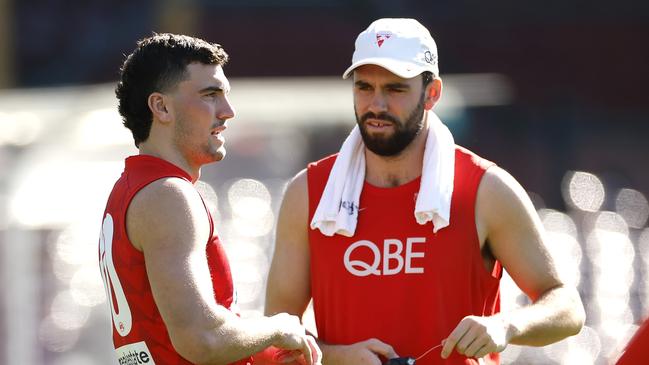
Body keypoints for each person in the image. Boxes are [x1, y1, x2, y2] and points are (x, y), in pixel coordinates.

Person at [265, 18, 585, 365]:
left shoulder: (486, 190)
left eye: (395, 89)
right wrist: (334, 357)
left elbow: (566, 306)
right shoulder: (308, 194)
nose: (377, 105)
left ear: (432, 93)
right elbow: (274, 340)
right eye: (364, 87)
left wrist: (506, 325)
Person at [98, 33, 321, 365]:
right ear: (161, 107)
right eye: (210, 95)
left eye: (225, 96)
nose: (228, 112)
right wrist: (277, 327)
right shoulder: (168, 195)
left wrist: (265, 352)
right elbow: (200, 338)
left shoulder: (132, 189)